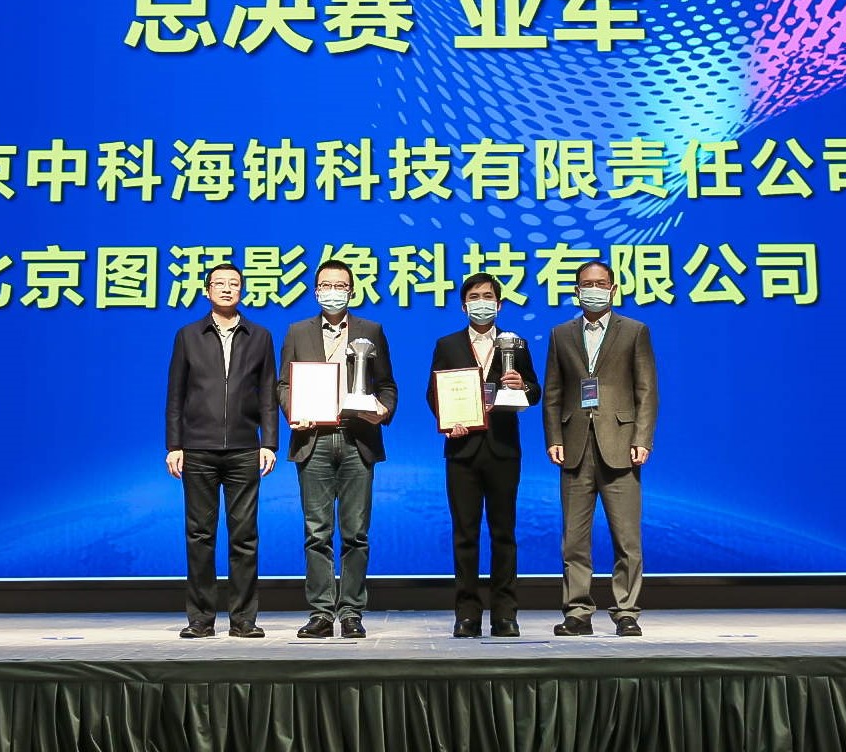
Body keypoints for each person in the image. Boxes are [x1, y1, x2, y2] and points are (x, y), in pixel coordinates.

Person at [275, 259, 398, 640]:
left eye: (340, 286)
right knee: (317, 533)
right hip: (313, 440)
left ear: (352, 291)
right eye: (326, 285)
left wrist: (383, 410)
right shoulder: (297, 331)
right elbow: (283, 385)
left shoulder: (370, 331)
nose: (333, 292)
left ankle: (352, 612)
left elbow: (387, 386)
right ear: (316, 292)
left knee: (356, 533)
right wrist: (294, 410)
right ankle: (321, 613)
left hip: (357, 439)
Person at [543, 260, 659, 637]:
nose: (593, 290)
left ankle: (626, 611)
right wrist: (553, 438)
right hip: (575, 446)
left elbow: (646, 390)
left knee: (627, 538)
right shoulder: (561, 334)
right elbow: (553, 392)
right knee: (574, 539)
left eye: (600, 283)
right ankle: (577, 611)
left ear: (612, 288)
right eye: (586, 284)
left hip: (621, 445)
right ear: (576, 291)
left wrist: (642, 439)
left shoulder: (635, 331)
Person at [165, 263, 277, 639]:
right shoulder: (188, 335)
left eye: (234, 284)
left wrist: (269, 442)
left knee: (244, 536)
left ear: (242, 291)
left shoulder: (259, 335)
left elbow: (268, 394)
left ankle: (244, 619)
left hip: (245, 448)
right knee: (200, 535)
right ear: (207, 290)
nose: (227, 289)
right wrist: (174, 445)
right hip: (197, 449)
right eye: (220, 284)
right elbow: (176, 395)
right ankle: (200, 619)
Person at [426, 273, 539, 638]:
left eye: (488, 296)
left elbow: (535, 389)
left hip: (503, 449)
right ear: (463, 306)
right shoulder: (447, 344)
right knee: (465, 535)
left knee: (504, 534)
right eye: (474, 296)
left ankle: (505, 614)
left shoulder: (516, 344)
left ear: (499, 304)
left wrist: (522, 386)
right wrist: (449, 422)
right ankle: (467, 614)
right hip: (462, 451)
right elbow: (434, 393)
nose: (481, 302)